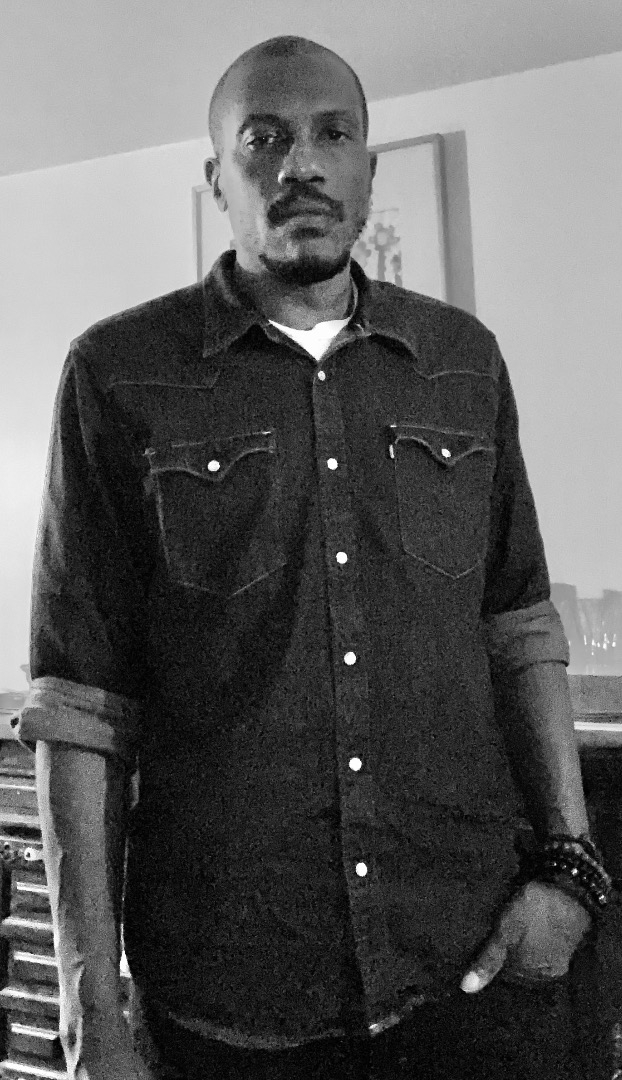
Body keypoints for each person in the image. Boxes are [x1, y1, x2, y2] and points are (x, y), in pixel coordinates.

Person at [17, 34, 611, 1080]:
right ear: (217, 179)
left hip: (469, 969)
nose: (302, 164)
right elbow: (79, 706)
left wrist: (570, 871)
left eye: (333, 135)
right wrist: (90, 1011)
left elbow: (519, 624)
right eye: (264, 139)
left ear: (367, 170)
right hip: (229, 997)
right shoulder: (117, 374)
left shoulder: (460, 361)